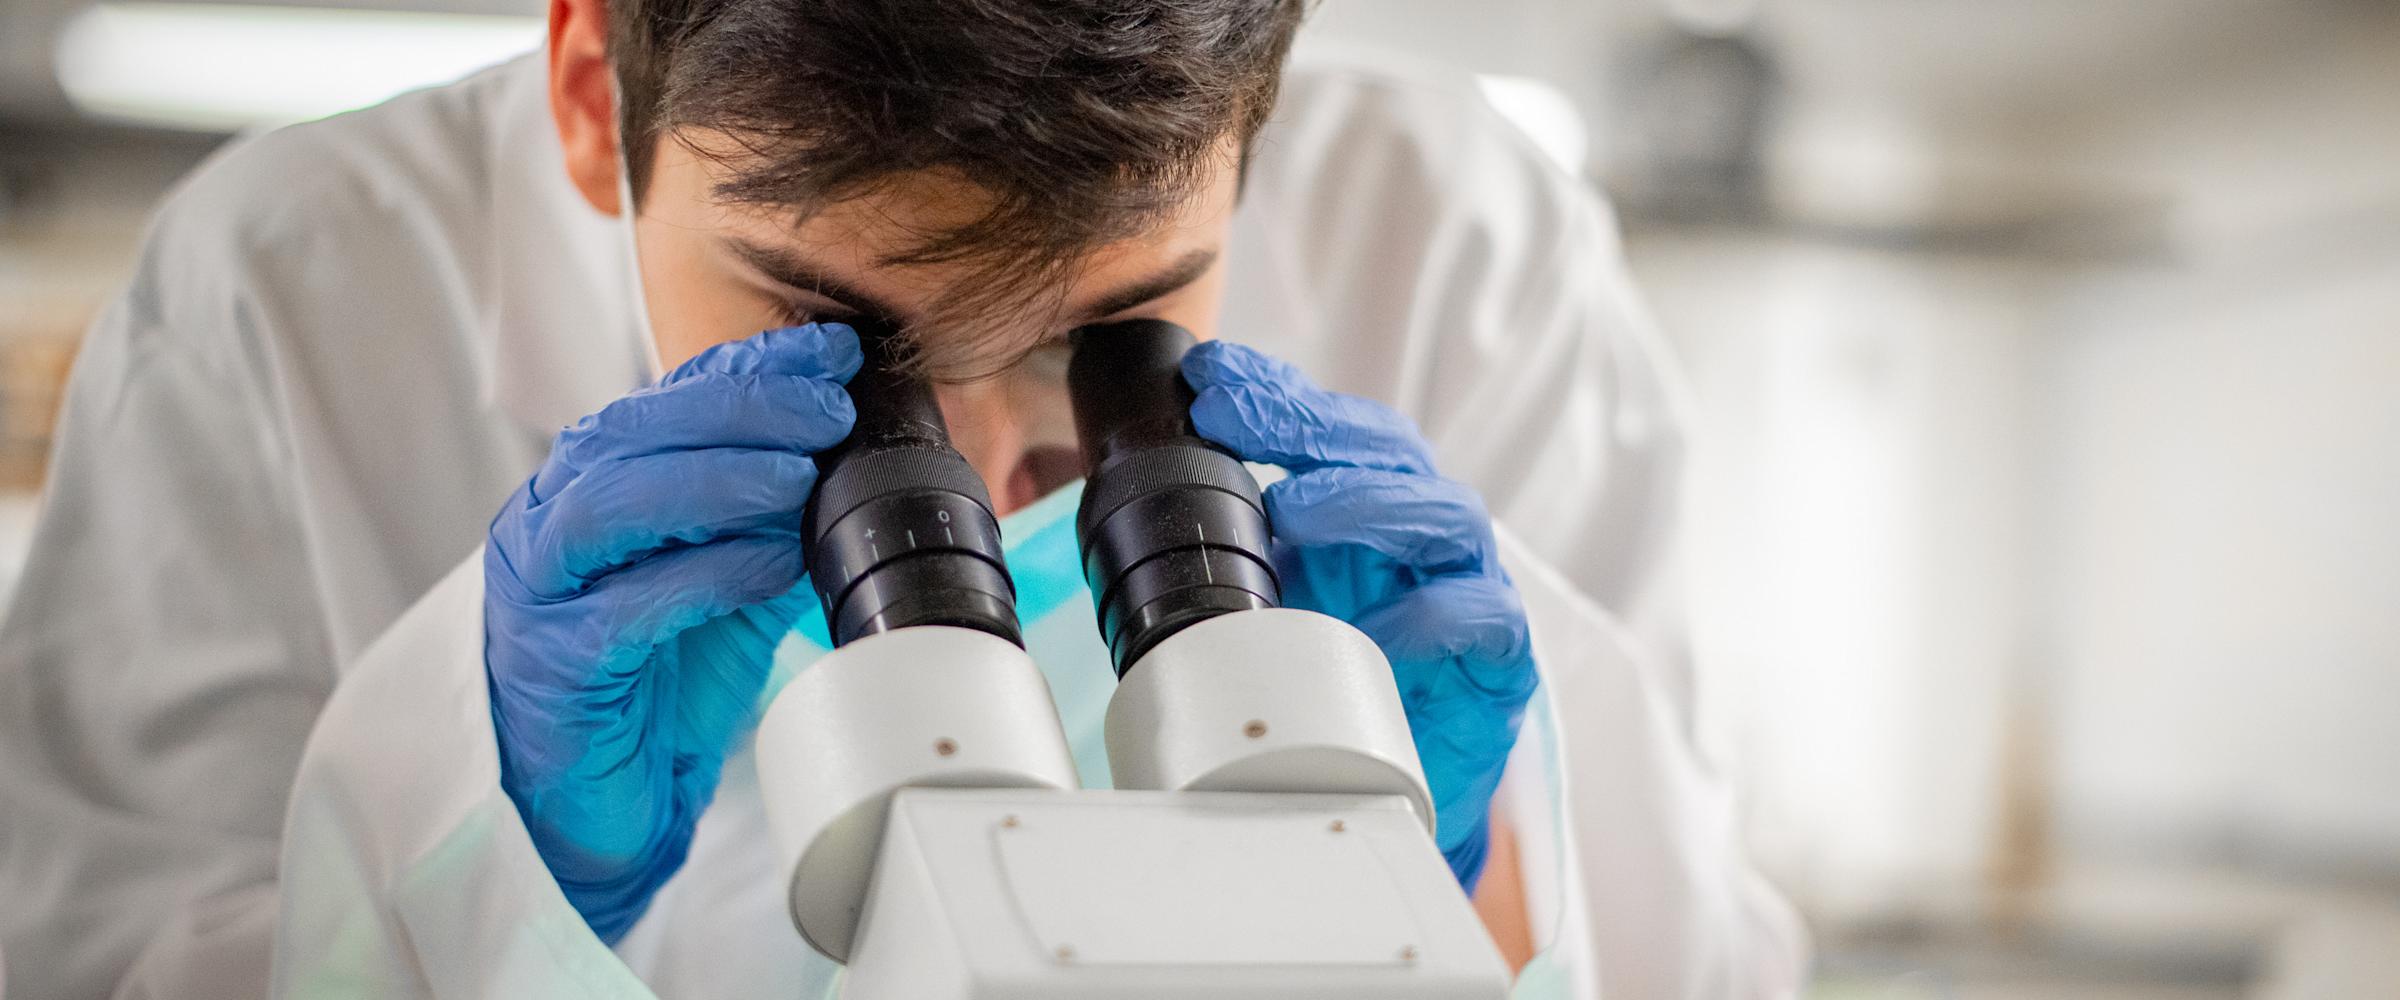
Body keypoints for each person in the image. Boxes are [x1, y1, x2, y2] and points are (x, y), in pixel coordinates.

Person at [0, 0, 1805, 997]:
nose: (988, 463)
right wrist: (481, 870)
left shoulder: (1461, 246)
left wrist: (1485, 871)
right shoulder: (289, 293)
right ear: (582, 82)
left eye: (1116, 331)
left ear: (1259, 132)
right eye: (836, 334)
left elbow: (1710, 969)